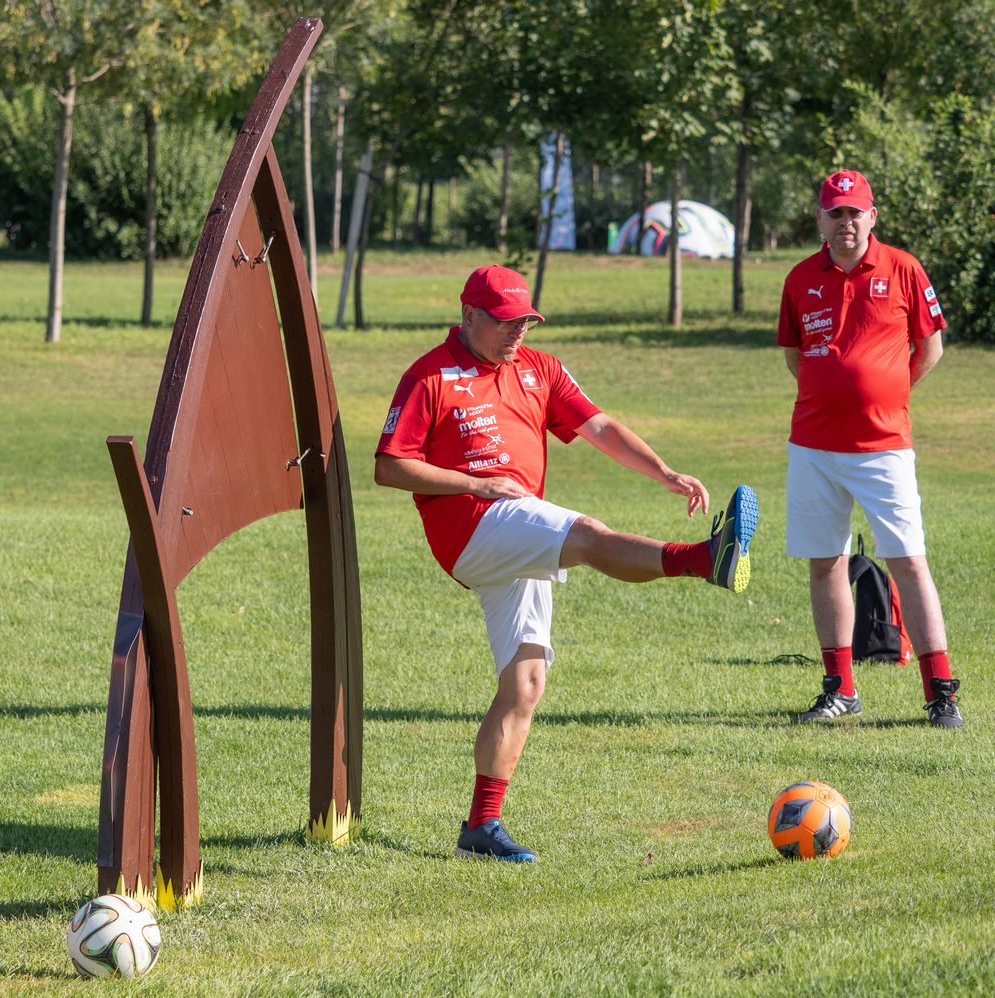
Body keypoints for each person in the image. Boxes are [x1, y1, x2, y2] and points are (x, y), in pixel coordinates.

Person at [375, 264, 758, 862]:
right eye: (504, 322)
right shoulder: (429, 375)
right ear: (469, 315)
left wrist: (663, 472)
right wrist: (472, 483)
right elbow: (390, 465)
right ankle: (705, 558)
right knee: (586, 536)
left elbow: (598, 424)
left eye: (525, 321)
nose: (516, 333)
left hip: (516, 524)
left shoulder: (538, 367)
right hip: (471, 528)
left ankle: (480, 827)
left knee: (525, 684)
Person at [778, 169, 963, 729]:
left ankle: (940, 691)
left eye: (855, 211)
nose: (846, 221)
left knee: (908, 560)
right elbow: (795, 355)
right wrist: (831, 392)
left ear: (872, 216)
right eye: (835, 212)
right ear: (820, 219)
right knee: (824, 563)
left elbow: (930, 344)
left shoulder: (903, 267)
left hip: (883, 445)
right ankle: (840, 688)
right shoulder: (800, 277)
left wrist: (887, 390)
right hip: (813, 445)